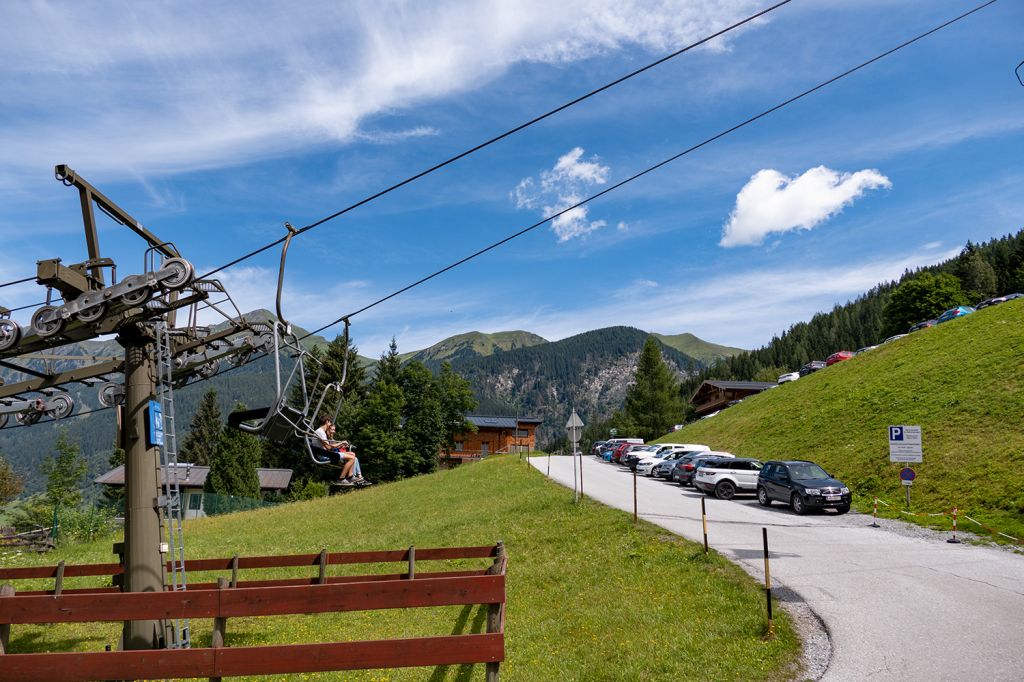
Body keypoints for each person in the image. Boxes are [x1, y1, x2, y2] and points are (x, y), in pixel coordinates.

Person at [312, 418, 370, 487]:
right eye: (329, 422)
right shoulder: (320, 432)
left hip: (325, 453)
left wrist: (340, 444)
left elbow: (328, 446)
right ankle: (341, 478)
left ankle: (351, 476)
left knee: (353, 454)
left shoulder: (320, 432)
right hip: (326, 455)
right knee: (352, 458)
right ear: (326, 422)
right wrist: (341, 443)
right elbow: (329, 447)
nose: (330, 424)